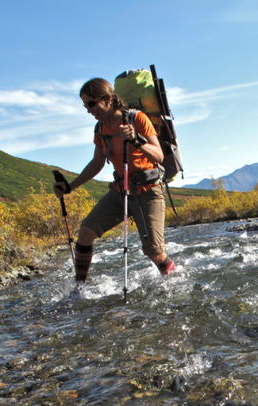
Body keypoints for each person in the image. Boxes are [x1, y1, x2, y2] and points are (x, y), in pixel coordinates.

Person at [54, 77, 176, 286]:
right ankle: (79, 289)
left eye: (91, 104)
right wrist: (69, 187)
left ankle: (176, 281)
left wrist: (137, 141)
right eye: (85, 105)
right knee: (86, 232)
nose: (88, 110)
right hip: (121, 191)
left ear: (108, 99)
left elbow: (158, 156)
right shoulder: (100, 130)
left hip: (148, 191)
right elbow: (97, 163)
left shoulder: (137, 119)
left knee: (154, 252)